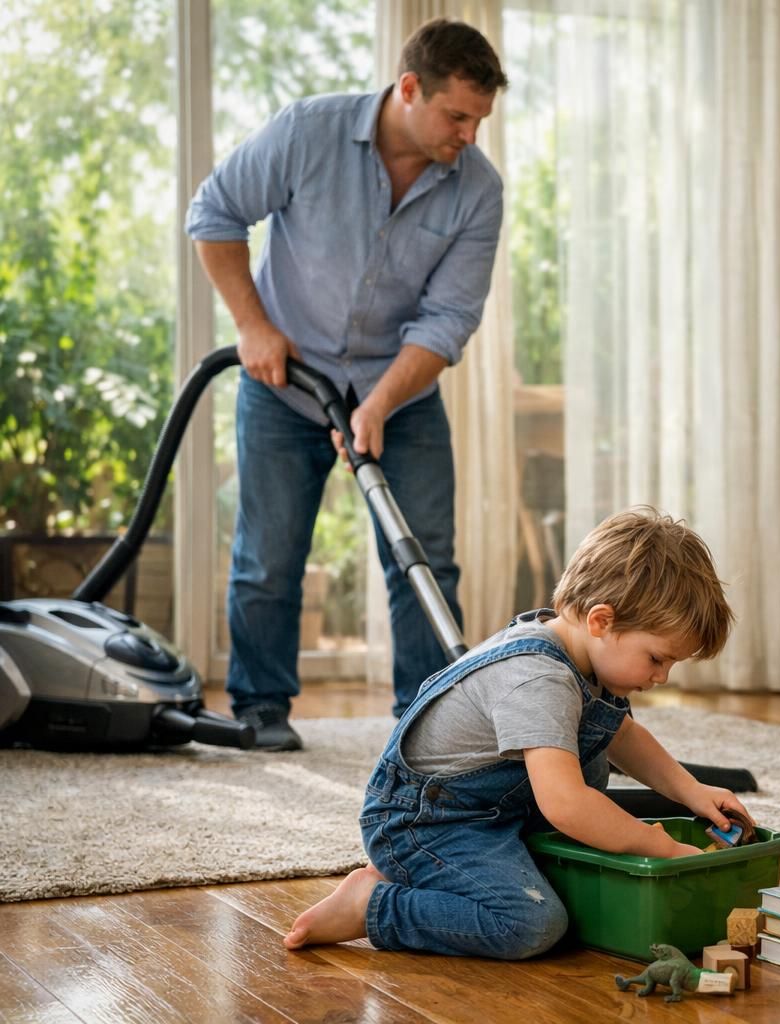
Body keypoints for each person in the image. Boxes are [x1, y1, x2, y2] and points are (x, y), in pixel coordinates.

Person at [185, 20, 509, 748]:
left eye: (479, 120)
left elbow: (449, 317)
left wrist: (381, 402)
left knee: (425, 555)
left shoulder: (477, 190)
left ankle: (429, 723)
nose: (468, 135)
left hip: (404, 393)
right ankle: (260, 708)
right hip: (284, 381)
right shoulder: (308, 132)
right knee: (268, 556)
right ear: (407, 89)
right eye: (456, 116)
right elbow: (213, 214)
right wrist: (253, 326)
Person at [281, 508, 749, 959]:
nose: (662, 677)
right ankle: (375, 904)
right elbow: (566, 803)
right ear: (601, 621)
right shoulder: (539, 677)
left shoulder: (583, 656)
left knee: (592, 839)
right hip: (428, 822)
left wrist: (692, 791)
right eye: (657, 659)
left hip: (498, 814)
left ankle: (433, 877)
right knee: (530, 923)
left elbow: (623, 736)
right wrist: (659, 847)